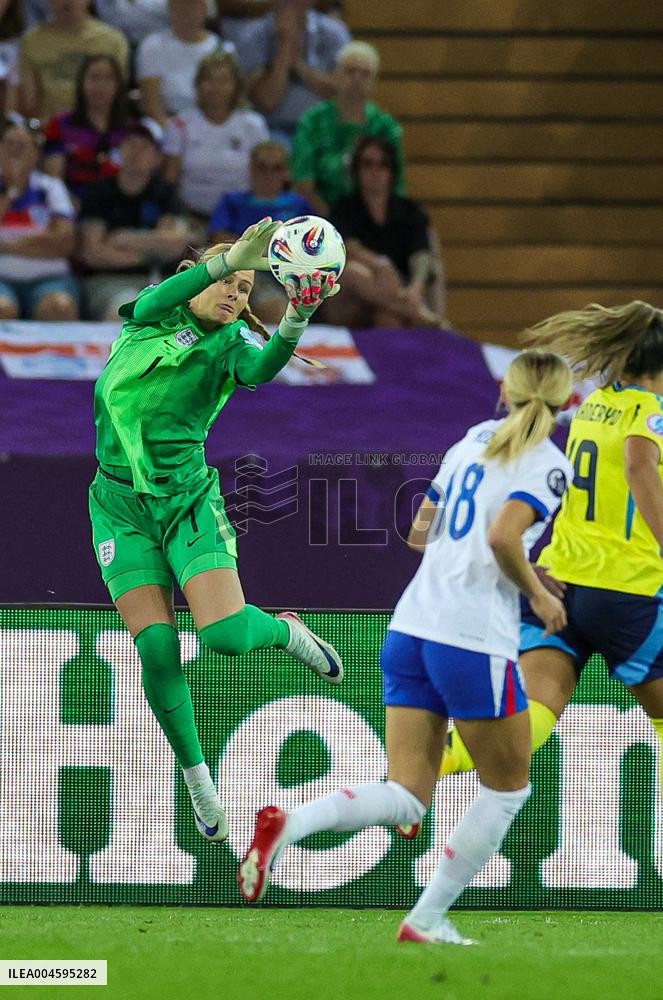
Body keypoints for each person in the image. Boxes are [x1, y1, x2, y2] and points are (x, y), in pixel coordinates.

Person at [238, 351, 572, 944]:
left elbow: (419, 532)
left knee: (408, 796)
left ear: (506, 391)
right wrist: (539, 595)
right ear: (567, 401)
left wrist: (467, 557)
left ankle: (289, 823)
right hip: (472, 639)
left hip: (411, 626)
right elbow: (501, 536)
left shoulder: (471, 440)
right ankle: (426, 918)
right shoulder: (547, 463)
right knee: (509, 786)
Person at [89, 217, 343, 843]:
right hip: (119, 505)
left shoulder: (230, 346)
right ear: (195, 278)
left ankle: (284, 631)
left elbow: (259, 372)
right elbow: (147, 299)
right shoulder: (153, 318)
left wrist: (295, 317)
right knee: (154, 648)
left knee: (226, 636)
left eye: (247, 287)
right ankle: (199, 779)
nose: (237, 294)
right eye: (231, 281)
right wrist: (227, 261)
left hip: (186, 503)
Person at [436, 302, 663, 795]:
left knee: (536, 711)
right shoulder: (650, 413)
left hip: (560, 587)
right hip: (625, 589)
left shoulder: (596, 403)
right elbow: (639, 469)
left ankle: (432, 763)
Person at [79, 121, 191, 320]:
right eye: (130, 144)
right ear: (119, 151)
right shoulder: (99, 192)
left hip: (160, 279)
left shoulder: (165, 193)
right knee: (126, 309)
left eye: (144, 147)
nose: (136, 152)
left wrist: (121, 238)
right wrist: (150, 253)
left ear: (157, 157)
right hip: (109, 280)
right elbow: (92, 252)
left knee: (185, 315)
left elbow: (175, 244)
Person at [328, 136, 444, 328]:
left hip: (395, 296)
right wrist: (380, 265)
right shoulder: (344, 208)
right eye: (367, 164)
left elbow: (421, 252)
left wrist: (415, 288)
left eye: (383, 164)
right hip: (350, 300)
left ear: (392, 171)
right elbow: (346, 247)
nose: (375, 171)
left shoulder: (409, 211)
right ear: (357, 170)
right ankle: (422, 316)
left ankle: (407, 307)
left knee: (387, 317)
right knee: (355, 272)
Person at [291, 41, 404, 217]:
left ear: (374, 82)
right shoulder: (312, 122)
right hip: (320, 220)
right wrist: (336, 226)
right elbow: (304, 185)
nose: (357, 79)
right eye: (350, 71)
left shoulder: (386, 127)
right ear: (335, 75)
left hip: (372, 223)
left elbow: (396, 187)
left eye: (365, 74)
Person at [210, 139, 313, 323]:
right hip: (248, 272)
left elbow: (314, 243)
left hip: (293, 274)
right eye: (262, 167)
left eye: (276, 168)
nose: (269, 174)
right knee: (275, 308)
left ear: (285, 172)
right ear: (251, 169)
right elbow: (220, 238)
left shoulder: (298, 204)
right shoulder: (233, 201)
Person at [162, 51, 269, 222]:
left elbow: (265, 177)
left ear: (236, 86)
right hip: (192, 215)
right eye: (209, 79)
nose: (215, 87)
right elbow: (170, 180)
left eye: (224, 81)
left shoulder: (253, 125)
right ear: (198, 85)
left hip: (242, 217)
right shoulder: (180, 124)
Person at [227, 0, 350, 142]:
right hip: (272, 129)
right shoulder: (253, 34)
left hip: (325, 128)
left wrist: (298, 65)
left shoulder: (335, 32)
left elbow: (342, 92)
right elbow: (267, 101)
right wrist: (286, 43)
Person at [0, 115, 79, 320]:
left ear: (36, 154)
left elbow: (64, 242)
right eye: (10, 144)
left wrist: (6, 246)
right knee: (2, 309)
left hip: (50, 279)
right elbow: (51, 241)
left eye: (23, 146)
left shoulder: (51, 187)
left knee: (58, 308)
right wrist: (11, 191)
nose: (16, 151)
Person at [7, 0, 128, 123]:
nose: (68, 2)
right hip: (49, 128)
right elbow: (29, 101)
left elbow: (117, 95)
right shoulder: (31, 40)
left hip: (98, 128)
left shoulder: (113, 41)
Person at [43, 55, 131, 204]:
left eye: (108, 79)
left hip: (119, 210)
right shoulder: (61, 124)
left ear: (118, 86)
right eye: (93, 78)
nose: (100, 86)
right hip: (72, 207)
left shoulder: (131, 130)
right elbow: (54, 181)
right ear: (81, 83)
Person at [136, 0, 234, 125]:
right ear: (170, 9)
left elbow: (232, 100)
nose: (187, 12)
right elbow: (152, 106)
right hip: (171, 123)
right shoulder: (152, 46)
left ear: (206, 10)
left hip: (213, 123)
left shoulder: (224, 50)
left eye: (193, 6)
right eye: (180, 5)